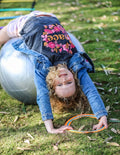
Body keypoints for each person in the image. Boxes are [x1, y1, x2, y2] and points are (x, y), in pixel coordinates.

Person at [0, 11, 108, 134]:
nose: (63, 79)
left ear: (52, 85)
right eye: (69, 82)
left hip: (25, 23)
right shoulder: (75, 64)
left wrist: (50, 128)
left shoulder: (42, 68)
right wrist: (102, 116)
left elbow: (42, 95)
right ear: (75, 78)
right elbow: (90, 90)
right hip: (50, 17)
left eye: (60, 85)